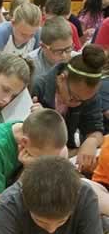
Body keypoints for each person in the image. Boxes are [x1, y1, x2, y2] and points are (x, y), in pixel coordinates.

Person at [32, 45, 105, 174]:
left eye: (84, 101)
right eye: (74, 98)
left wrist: (91, 141)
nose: (78, 104)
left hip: (68, 155)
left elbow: (95, 127)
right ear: (61, 79)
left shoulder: (87, 95)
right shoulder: (38, 88)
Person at [26, 16, 74, 85]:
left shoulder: (77, 60)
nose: (64, 56)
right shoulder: (30, 65)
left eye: (68, 48)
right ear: (43, 46)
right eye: (59, 51)